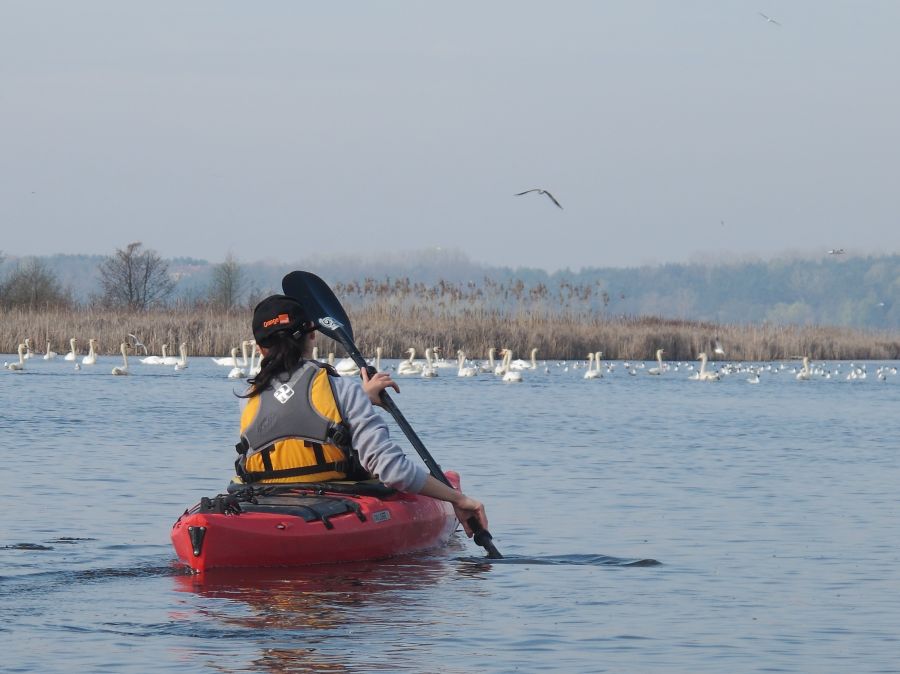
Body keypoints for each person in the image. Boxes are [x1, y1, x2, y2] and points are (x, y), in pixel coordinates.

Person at [235, 294, 488, 538]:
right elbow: (393, 471)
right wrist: (457, 498)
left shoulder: (249, 398)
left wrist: (360, 399)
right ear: (313, 335)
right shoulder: (341, 389)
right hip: (332, 504)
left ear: (259, 349)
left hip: (265, 502)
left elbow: (292, 412)